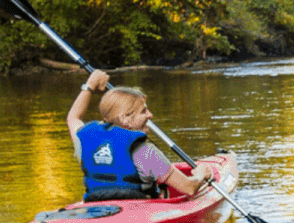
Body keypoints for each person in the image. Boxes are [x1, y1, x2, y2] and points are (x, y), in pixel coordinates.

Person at [66, 70, 227, 200]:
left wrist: (90, 85)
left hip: (97, 210)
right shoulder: (145, 152)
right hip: (139, 215)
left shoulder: (84, 140)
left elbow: (73, 117)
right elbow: (189, 188)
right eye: (143, 111)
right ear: (125, 118)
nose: (150, 115)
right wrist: (201, 175)